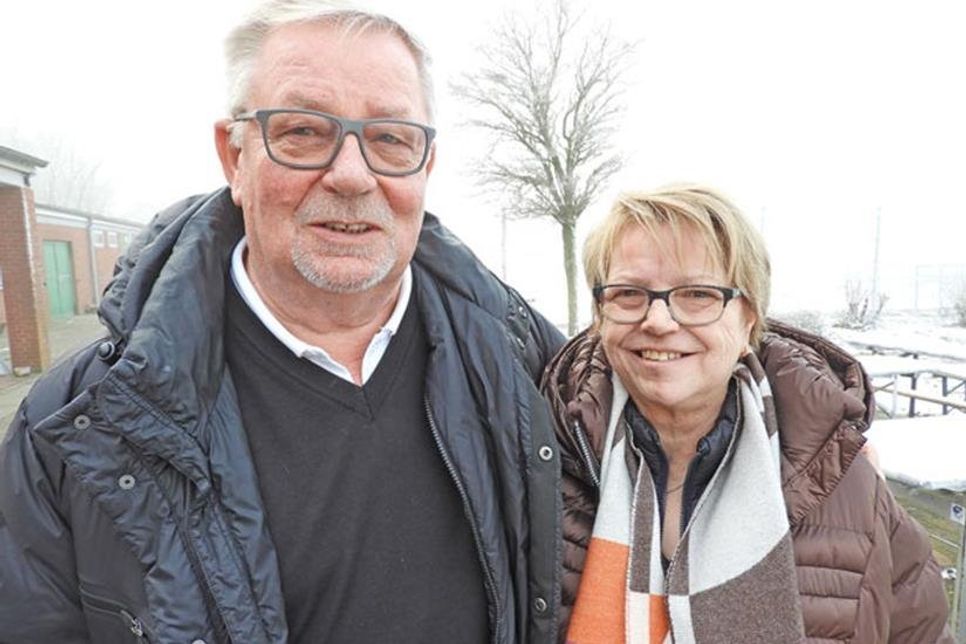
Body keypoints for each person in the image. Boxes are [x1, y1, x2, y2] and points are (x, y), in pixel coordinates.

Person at [0, 2, 566, 642]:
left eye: (390, 138)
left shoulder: (531, 368)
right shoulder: (79, 427)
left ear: (425, 166)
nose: (352, 175)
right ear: (234, 157)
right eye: (302, 131)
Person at [542, 185, 953, 643]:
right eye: (628, 294)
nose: (658, 321)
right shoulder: (542, 465)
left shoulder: (843, 483)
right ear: (600, 315)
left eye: (698, 294)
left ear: (750, 319)